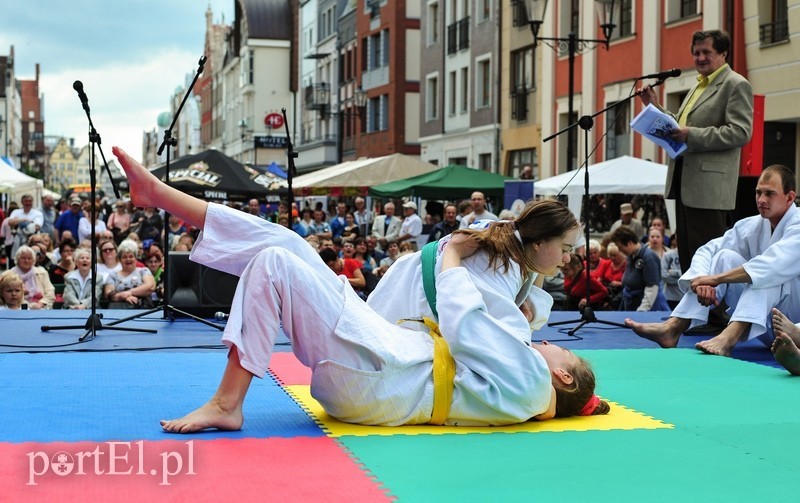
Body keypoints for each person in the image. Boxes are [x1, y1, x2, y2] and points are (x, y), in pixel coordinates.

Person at [111, 146, 609, 431]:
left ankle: (227, 403)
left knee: (276, 262)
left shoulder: (527, 382)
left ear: (562, 379)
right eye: (564, 249)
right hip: (381, 357)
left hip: (378, 378)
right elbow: (470, 325)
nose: (547, 343)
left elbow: (465, 325)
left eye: (557, 350)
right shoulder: (523, 374)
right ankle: (161, 195)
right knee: (287, 242)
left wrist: (455, 257)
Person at [625, 164, 799, 356]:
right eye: (758, 193)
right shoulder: (753, 225)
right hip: (767, 325)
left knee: (765, 275)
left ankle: (728, 338)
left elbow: (771, 265)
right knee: (725, 256)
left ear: (790, 197)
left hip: (794, 325)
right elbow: (708, 249)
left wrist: (717, 279)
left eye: (769, 194)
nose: (761, 199)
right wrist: (702, 279)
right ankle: (673, 327)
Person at [639, 29, 753, 271]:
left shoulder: (735, 84)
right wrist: (655, 107)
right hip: (684, 183)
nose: (700, 58)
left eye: (706, 52)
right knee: (690, 258)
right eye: (696, 53)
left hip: (709, 189)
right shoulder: (698, 86)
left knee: (708, 260)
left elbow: (741, 132)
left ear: (723, 53)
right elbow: (679, 128)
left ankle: (715, 310)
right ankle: (695, 309)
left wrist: (692, 135)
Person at [610, 226, 668, 312]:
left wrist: (642, 311)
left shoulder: (648, 257)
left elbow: (652, 287)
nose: (619, 250)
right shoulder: (631, 256)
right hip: (631, 303)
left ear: (629, 243)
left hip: (646, 307)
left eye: (620, 247)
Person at [103, 239, 155, 309]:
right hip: (116, 312)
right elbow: (108, 294)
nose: (128, 259)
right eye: (124, 257)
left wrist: (129, 292)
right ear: (120, 260)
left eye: (131, 256)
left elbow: (150, 287)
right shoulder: (113, 275)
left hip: (141, 311)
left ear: (136, 258)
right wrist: (123, 297)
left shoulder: (144, 271)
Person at [11, 245, 55, 309]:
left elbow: (50, 292)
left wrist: (41, 304)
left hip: (41, 308)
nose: (26, 261)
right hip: (17, 309)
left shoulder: (42, 272)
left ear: (33, 260)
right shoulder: (10, 275)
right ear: (17, 259)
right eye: (23, 258)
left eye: (29, 258)